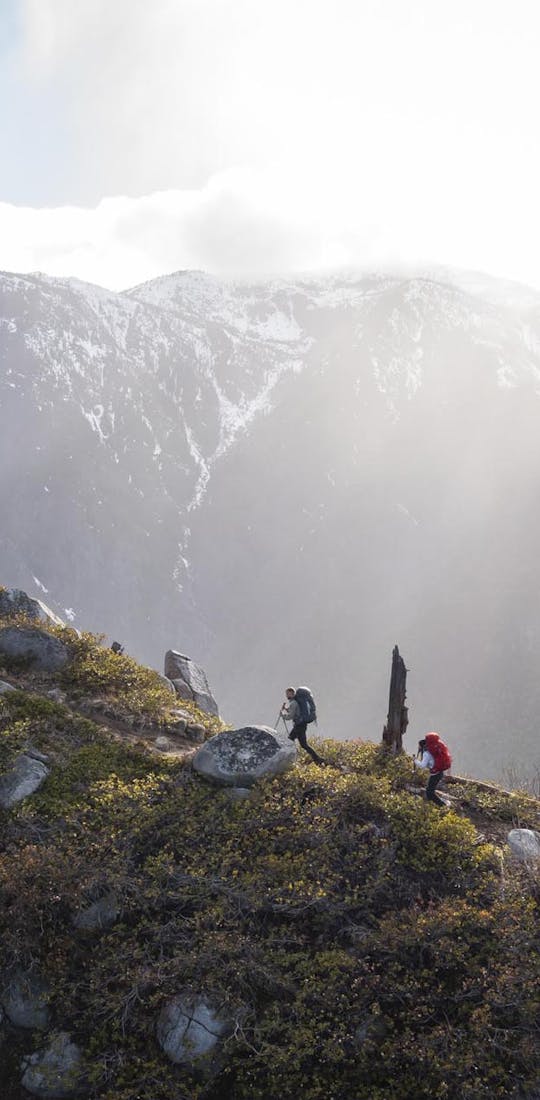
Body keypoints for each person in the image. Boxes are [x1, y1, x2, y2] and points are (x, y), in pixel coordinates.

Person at [281, 687, 325, 766]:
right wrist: (286, 709)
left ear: (292, 693)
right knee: (303, 744)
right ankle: (317, 759)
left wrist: (282, 715)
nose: (286, 695)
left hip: (299, 726)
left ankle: (290, 760)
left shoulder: (293, 703)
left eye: (287, 693)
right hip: (301, 725)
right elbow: (295, 711)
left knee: (290, 741)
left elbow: (290, 716)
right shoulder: (295, 702)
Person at [414, 732, 451, 807]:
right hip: (439, 772)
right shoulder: (432, 750)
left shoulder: (426, 753)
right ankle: (441, 803)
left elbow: (422, 765)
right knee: (430, 790)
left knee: (429, 793)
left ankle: (443, 806)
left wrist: (415, 760)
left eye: (418, 746)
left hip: (435, 774)